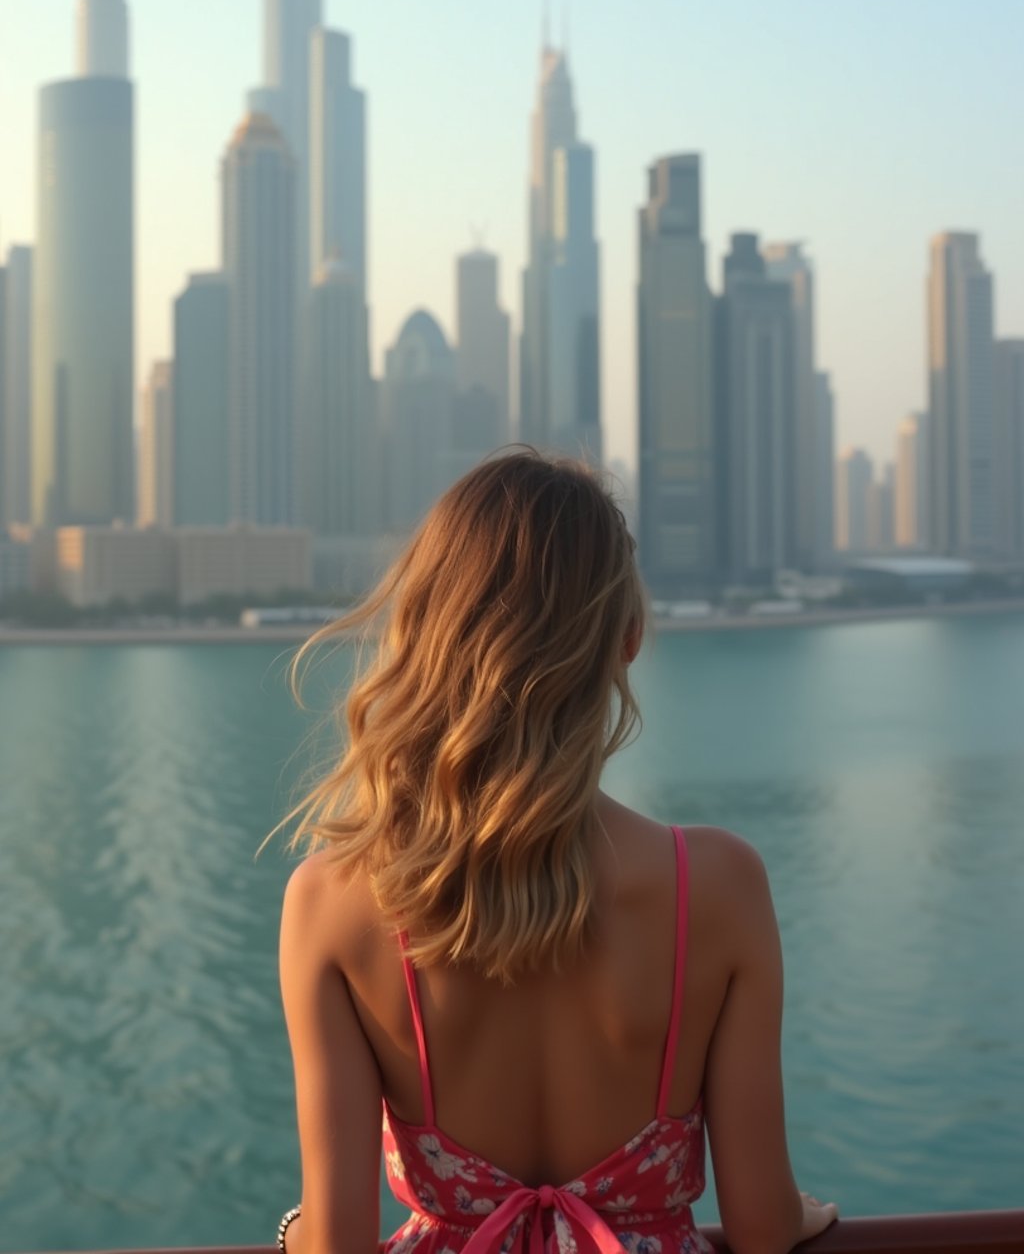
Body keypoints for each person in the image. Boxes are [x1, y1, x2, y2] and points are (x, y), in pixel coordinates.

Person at [274, 451, 838, 1254]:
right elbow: (761, 1228)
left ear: (423, 633)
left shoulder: (329, 902)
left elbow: (336, 1242)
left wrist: (293, 1229)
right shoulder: (718, 887)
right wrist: (805, 1215)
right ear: (628, 641)